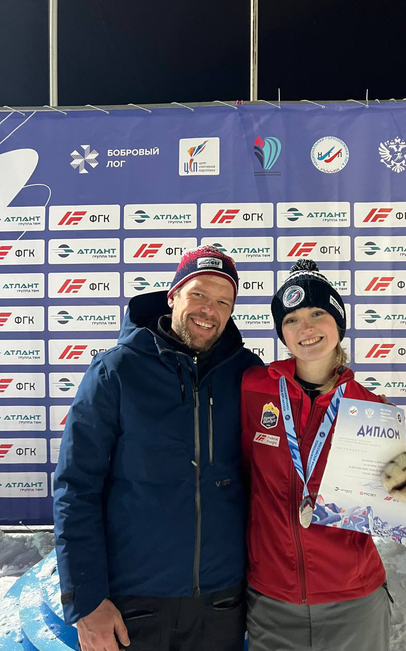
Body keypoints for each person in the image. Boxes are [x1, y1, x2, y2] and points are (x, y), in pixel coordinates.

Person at [53, 245, 263, 651]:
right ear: (172, 296)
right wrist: (86, 600)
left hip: (222, 602)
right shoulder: (116, 370)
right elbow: (76, 487)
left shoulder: (247, 374)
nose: (209, 310)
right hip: (134, 602)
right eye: (198, 294)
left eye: (223, 301)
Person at [241, 259, 406, 651]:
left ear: (338, 322)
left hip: (353, 600)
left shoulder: (369, 409)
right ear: (282, 332)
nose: (306, 328)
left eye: (317, 313)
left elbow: (404, 513)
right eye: (291, 319)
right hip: (271, 599)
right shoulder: (252, 389)